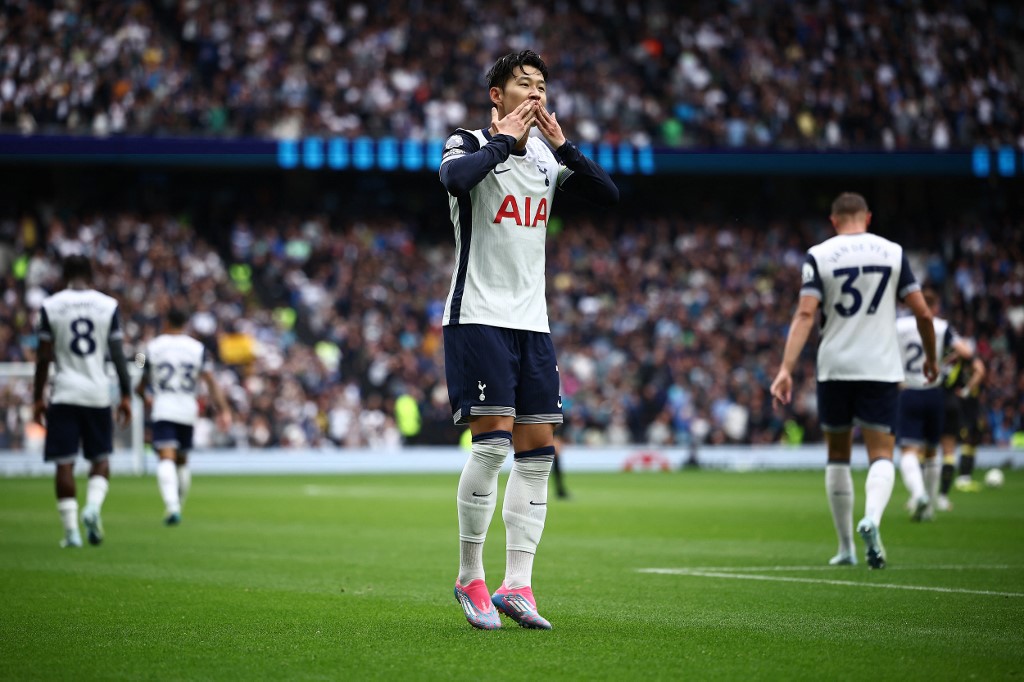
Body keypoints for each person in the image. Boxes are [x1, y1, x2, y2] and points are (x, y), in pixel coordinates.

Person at [439, 50, 618, 629]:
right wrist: (504, 143)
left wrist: (563, 146)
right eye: (524, 85)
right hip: (479, 314)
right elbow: (454, 180)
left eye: (542, 86)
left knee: (537, 455)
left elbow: (607, 196)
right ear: (497, 95)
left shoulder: (547, 157)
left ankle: (519, 584)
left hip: (532, 322)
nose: (536, 94)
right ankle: (471, 577)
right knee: (492, 447)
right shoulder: (467, 143)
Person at [770, 192, 937, 569]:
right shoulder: (892, 253)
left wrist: (785, 368)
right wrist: (929, 357)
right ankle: (872, 519)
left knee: (838, 455)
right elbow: (923, 314)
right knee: (881, 454)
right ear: (868, 217)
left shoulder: (819, 255)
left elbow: (804, 314)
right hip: (880, 366)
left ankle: (845, 547)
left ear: (833, 220)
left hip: (835, 366)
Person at [32, 254, 132, 548]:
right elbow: (117, 355)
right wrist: (125, 394)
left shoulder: (51, 306)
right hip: (97, 392)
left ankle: (71, 532)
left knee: (64, 463)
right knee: (100, 458)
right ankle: (93, 507)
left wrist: (37, 398)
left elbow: (43, 356)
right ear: (91, 275)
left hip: (64, 392)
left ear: (64, 275)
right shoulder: (107, 305)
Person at [135, 307, 232, 525]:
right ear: (185, 324)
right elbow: (210, 381)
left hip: (164, 406)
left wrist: (143, 394)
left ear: (166, 323)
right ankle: (178, 504)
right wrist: (224, 410)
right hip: (188, 408)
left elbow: (138, 368)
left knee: (165, 456)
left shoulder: (151, 346)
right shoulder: (197, 348)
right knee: (182, 460)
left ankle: (172, 506)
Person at [895, 289, 980, 520]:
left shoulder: (898, 326)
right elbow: (966, 351)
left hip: (908, 390)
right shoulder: (941, 326)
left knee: (909, 451)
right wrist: (946, 359)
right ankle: (930, 508)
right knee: (933, 451)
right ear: (935, 307)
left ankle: (918, 493)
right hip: (935, 392)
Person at [936, 340, 987, 506]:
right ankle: (943, 495)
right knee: (951, 449)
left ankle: (920, 494)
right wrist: (966, 390)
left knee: (924, 449)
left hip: (935, 400)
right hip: (956, 404)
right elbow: (980, 370)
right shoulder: (963, 360)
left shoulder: (939, 356)